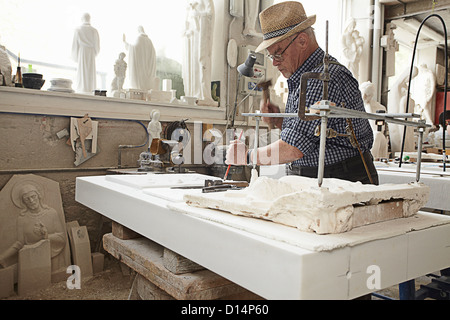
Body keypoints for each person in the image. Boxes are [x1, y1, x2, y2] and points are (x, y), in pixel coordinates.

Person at [226, 1, 378, 185]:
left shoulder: (320, 78)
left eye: (278, 53)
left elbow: (293, 149)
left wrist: (247, 156)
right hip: (322, 177)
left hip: (341, 180)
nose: (274, 62)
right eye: (271, 55)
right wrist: (281, 121)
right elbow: (313, 133)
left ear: (302, 41)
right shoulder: (303, 76)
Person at [71, 13, 100, 94]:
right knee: (90, 71)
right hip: (91, 52)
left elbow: (74, 45)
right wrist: (94, 53)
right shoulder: (94, 30)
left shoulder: (78, 29)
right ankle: (88, 88)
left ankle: (83, 88)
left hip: (82, 52)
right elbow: (97, 47)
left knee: (82, 70)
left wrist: (76, 57)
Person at [123, 26, 157, 92]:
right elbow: (153, 54)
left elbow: (134, 49)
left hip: (141, 73)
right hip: (148, 74)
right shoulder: (149, 41)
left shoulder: (139, 38)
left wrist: (125, 42)